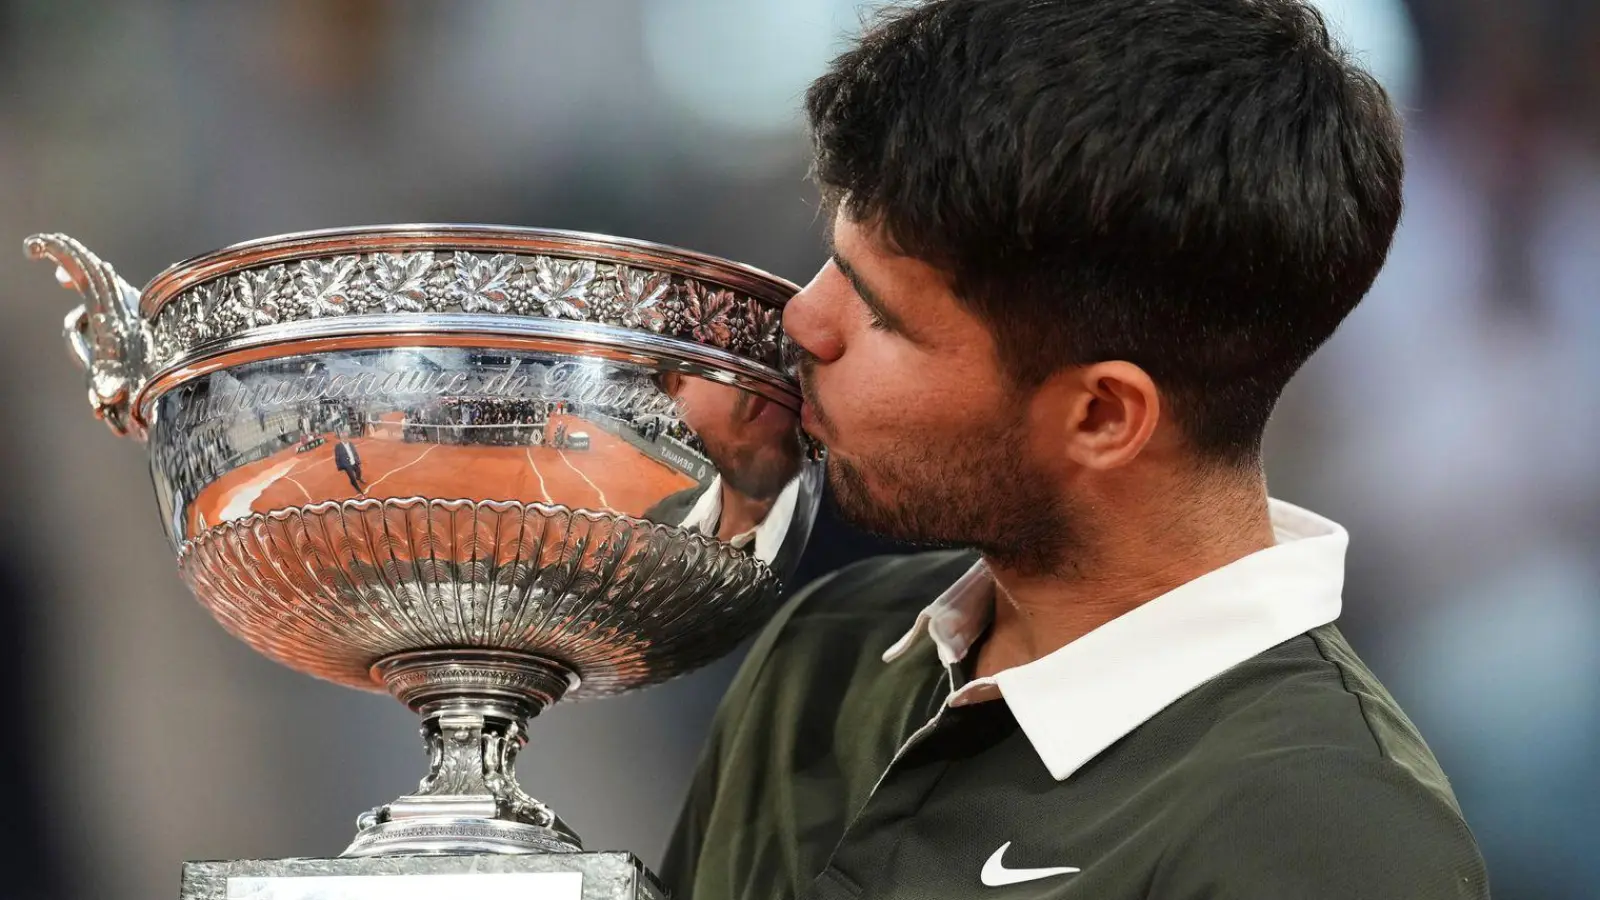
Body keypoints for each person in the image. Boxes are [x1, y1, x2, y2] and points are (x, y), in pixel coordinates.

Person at [660, 2, 1490, 899]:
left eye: (883, 314)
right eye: (834, 257)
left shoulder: (1328, 842)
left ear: (1102, 415)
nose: (803, 321)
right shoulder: (824, 650)